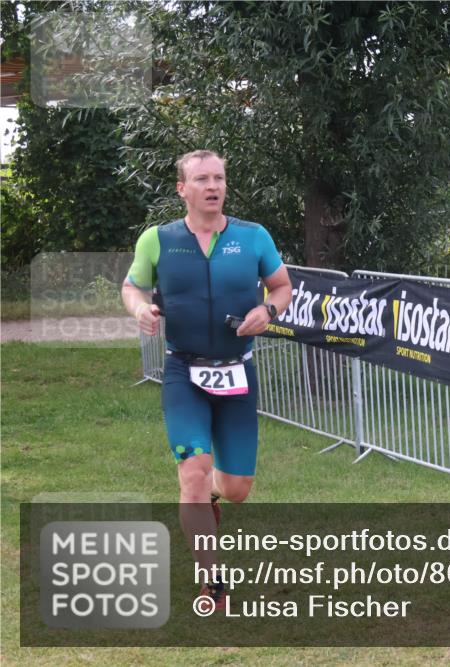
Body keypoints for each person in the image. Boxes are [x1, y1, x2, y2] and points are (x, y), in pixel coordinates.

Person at [121, 149, 292, 610]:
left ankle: (215, 494)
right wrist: (140, 308)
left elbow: (282, 285)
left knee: (235, 490)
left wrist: (268, 310)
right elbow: (132, 285)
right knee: (192, 473)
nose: (212, 186)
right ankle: (212, 579)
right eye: (201, 179)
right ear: (182, 189)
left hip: (237, 373)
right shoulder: (158, 239)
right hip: (183, 372)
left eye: (219, 178)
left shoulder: (253, 237)